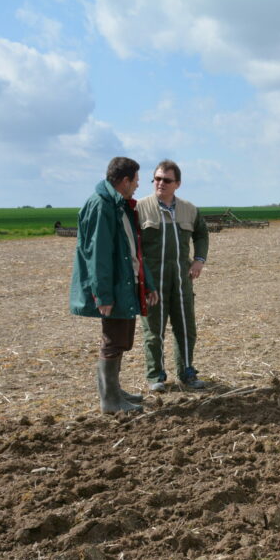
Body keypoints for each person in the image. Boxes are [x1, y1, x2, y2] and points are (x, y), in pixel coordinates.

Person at [69, 156, 159, 413]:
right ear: (124, 180)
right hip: (114, 287)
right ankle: (110, 400)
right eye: (136, 181)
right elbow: (99, 255)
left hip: (123, 282)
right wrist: (103, 295)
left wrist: (147, 284)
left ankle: (115, 391)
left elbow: (133, 250)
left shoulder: (118, 205)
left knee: (119, 338)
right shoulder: (102, 206)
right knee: (113, 339)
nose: (138, 186)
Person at [136, 159, 210, 391]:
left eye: (166, 180)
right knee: (153, 332)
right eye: (157, 179)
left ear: (177, 183)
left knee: (186, 329)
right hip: (152, 282)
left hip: (181, 281)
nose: (160, 183)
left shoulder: (189, 209)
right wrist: (142, 281)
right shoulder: (139, 208)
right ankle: (156, 377)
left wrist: (199, 260)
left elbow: (201, 234)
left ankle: (187, 373)